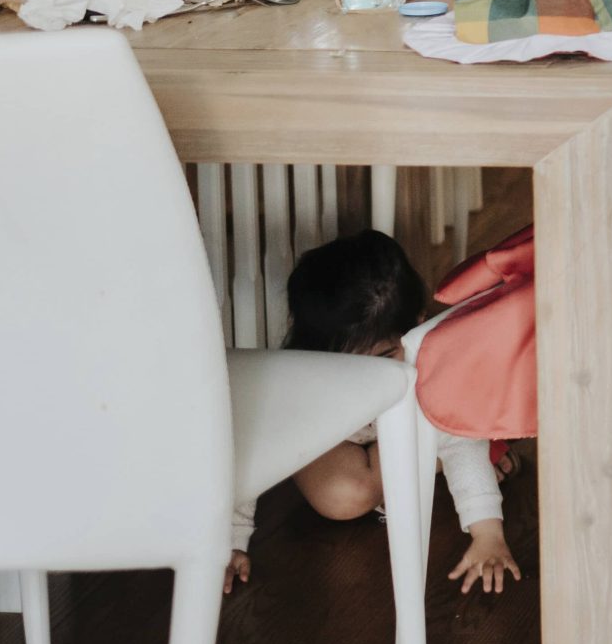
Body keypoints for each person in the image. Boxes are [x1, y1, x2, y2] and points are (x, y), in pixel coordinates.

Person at [222, 231, 521, 597]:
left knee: (457, 426)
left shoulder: (424, 362)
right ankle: (447, 449)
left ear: (416, 326)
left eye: (383, 357)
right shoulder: (303, 378)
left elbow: (462, 447)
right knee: (342, 498)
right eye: (348, 363)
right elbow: (252, 448)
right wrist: (231, 542)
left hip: (412, 425)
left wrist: (488, 534)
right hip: (345, 442)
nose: (369, 378)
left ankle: (465, 431)